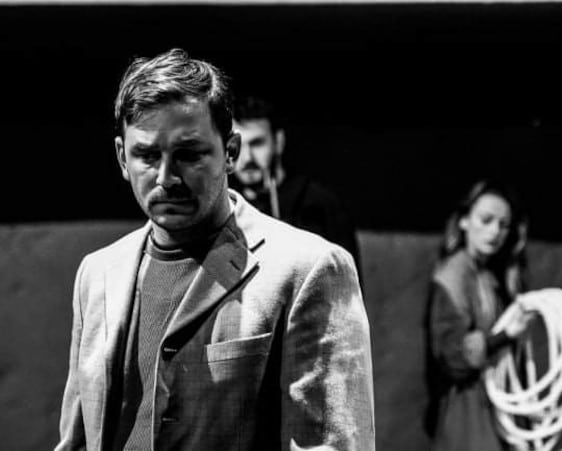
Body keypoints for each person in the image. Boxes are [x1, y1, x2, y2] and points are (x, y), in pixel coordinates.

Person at [55, 49, 374, 451]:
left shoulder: (307, 269)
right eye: (147, 156)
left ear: (231, 152)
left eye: (189, 154)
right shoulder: (98, 273)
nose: (167, 177)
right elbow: (77, 439)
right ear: (122, 156)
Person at [425, 180, 533, 451]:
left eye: (503, 225)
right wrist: (505, 335)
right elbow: (453, 353)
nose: (494, 231)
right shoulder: (453, 275)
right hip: (467, 414)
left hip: (490, 408)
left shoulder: (487, 274)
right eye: (486, 220)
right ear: (464, 221)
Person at [229, 96, 360, 270]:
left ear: (278, 142)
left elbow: (349, 278)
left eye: (257, 143)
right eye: (238, 146)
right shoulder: (227, 206)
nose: (247, 158)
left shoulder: (321, 203)